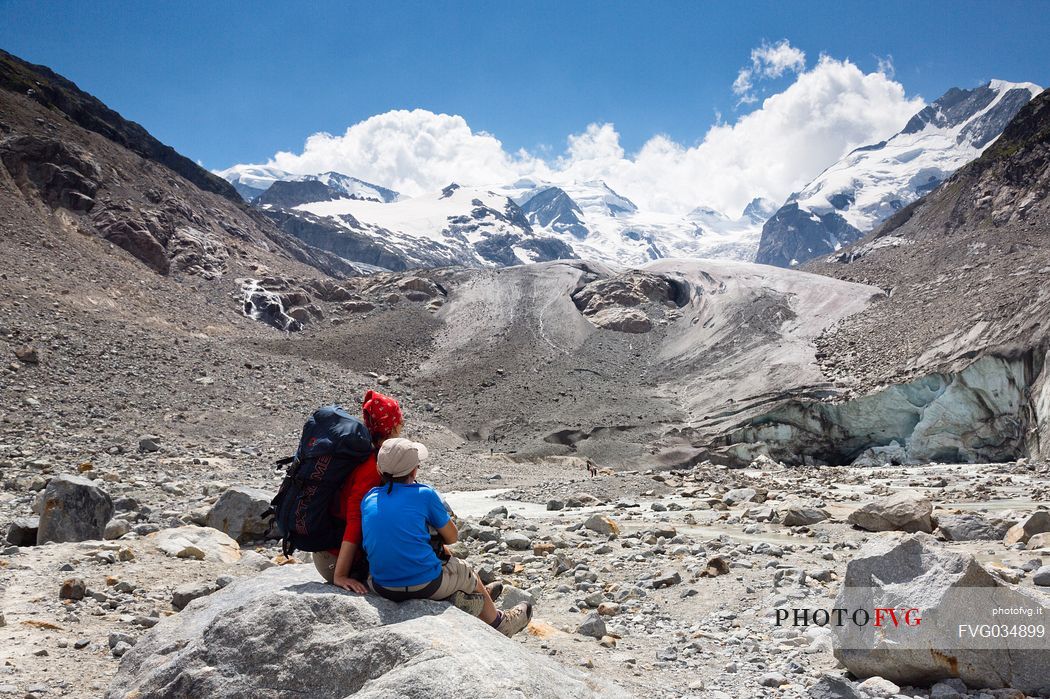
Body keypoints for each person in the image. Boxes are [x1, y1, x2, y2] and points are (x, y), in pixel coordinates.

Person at [361, 437, 532, 637]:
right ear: (414, 470)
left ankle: (476, 596)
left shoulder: (369, 497)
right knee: (465, 569)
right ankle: (500, 622)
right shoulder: (424, 494)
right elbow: (452, 537)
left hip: (381, 586)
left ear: (379, 470)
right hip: (426, 585)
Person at [313, 389, 403, 592]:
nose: (402, 424)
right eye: (399, 420)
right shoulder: (372, 467)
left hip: (335, 552)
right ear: (391, 427)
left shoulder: (373, 456)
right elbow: (355, 518)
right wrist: (340, 575)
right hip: (335, 559)